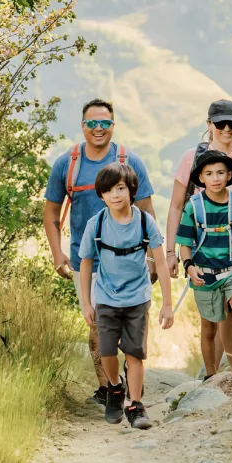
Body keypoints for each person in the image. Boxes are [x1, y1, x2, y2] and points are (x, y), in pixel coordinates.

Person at [43, 98, 156, 407]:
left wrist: (152, 258)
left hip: (130, 261)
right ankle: (108, 389)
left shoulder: (129, 160)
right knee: (97, 327)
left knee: (131, 325)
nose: (98, 128)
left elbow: (146, 210)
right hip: (87, 260)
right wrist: (57, 253)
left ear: (112, 126)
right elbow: (51, 211)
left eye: (104, 123)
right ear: (83, 126)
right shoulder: (68, 164)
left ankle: (130, 382)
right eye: (92, 123)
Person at [165, 99, 232, 371]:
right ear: (209, 125)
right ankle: (214, 374)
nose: (226, 128)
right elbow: (176, 206)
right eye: (220, 123)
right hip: (200, 249)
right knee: (212, 315)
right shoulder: (192, 158)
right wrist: (171, 253)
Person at [79, 162, 174, 428]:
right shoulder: (96, 225)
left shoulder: (145, 222)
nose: (116, 195)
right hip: (106, 299)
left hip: (137, 299)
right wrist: (87, 302)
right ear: (101, 195)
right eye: (109, 191)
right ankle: (114, 388)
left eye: (121, 188)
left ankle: (135, 405)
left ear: (131, 190)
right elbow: (86, 262)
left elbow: (161, 263)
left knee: (134, 354)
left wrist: (167, 304)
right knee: (106, 352)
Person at [176, 149, 232, 392]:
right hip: (204, 273)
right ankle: (211, 375)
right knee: (209, 327)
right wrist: (189, 266)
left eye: (220, 173)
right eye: (209, 173)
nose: (215, 178)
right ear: (201, 178)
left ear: (229, 175)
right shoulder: (193, 208)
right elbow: (184, 244)